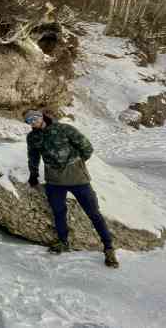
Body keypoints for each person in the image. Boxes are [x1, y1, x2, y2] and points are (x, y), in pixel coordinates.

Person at [24, 110, 119, 268]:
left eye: (35, 118)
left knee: (94, 213)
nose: (33, 122)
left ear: (41, 116)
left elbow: (86, 146)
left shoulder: (64, 129)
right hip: (54, 181)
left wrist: (78, 163)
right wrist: (33, 174)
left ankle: (108, 247)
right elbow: (33, 157)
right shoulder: (32, 137)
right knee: (59, 212)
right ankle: (63, 242)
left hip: (77, 178)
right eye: (29, 121)